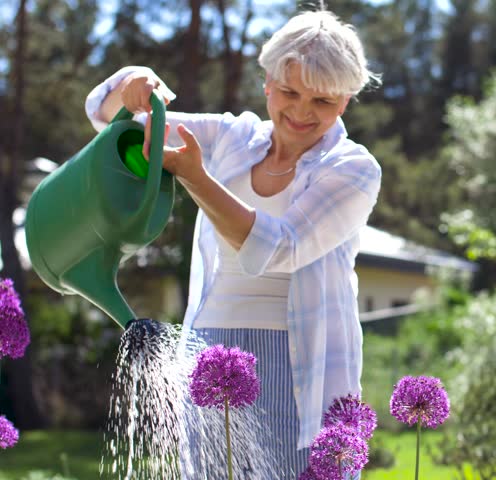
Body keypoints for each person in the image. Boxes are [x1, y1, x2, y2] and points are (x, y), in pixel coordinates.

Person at [85, 10, 381, 479]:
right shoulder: (232, 137)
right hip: (210, 351)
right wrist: (131, 83)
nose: (302, 112)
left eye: (322, 101)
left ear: (344, 101)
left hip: (298, 365)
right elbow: (114, 122)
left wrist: (197, 180)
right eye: (289, 92)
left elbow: (279, 249)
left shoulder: (352, 169)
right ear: (267, 82)